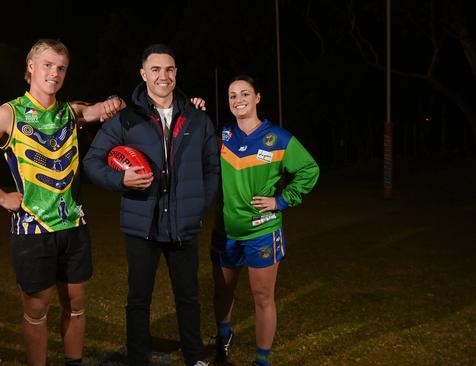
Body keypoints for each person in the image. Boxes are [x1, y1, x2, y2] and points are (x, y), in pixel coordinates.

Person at [0, 39, 125, 366]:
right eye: (47, 65)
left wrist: (114, 102)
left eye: (61, 68)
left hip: (74, 226)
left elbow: (98, 109)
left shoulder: (70, 112)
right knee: (36, 310)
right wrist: (1, 196)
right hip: (33, 231)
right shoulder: (8, 114)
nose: (54, 73)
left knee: (77, 305)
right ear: (30, 67)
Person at [82, 43, 219, 366]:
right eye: (155, 69)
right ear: (143, 74)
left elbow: (212, 167)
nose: (163, 76)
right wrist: (121, 180)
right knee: (138, 298)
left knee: (188, 297)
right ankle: (138, 357)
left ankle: (195, 357)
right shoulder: (125, 120)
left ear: (176, 73)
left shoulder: (196, 117)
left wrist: (199, 203)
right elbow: (92, 161)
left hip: (184, 223)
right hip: (142, 222)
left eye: (169, 69)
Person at [211, 75, 319, 366]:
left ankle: (262, 360)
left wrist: (281, 201)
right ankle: (222, 343)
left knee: (262, 297)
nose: (238, 100)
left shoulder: (279, 138)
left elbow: (310, 170)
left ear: (258, 97)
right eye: (232, 95)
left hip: (262, 231)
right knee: (223, 291)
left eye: (245, 93)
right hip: (226, 231)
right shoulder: (223, 136)